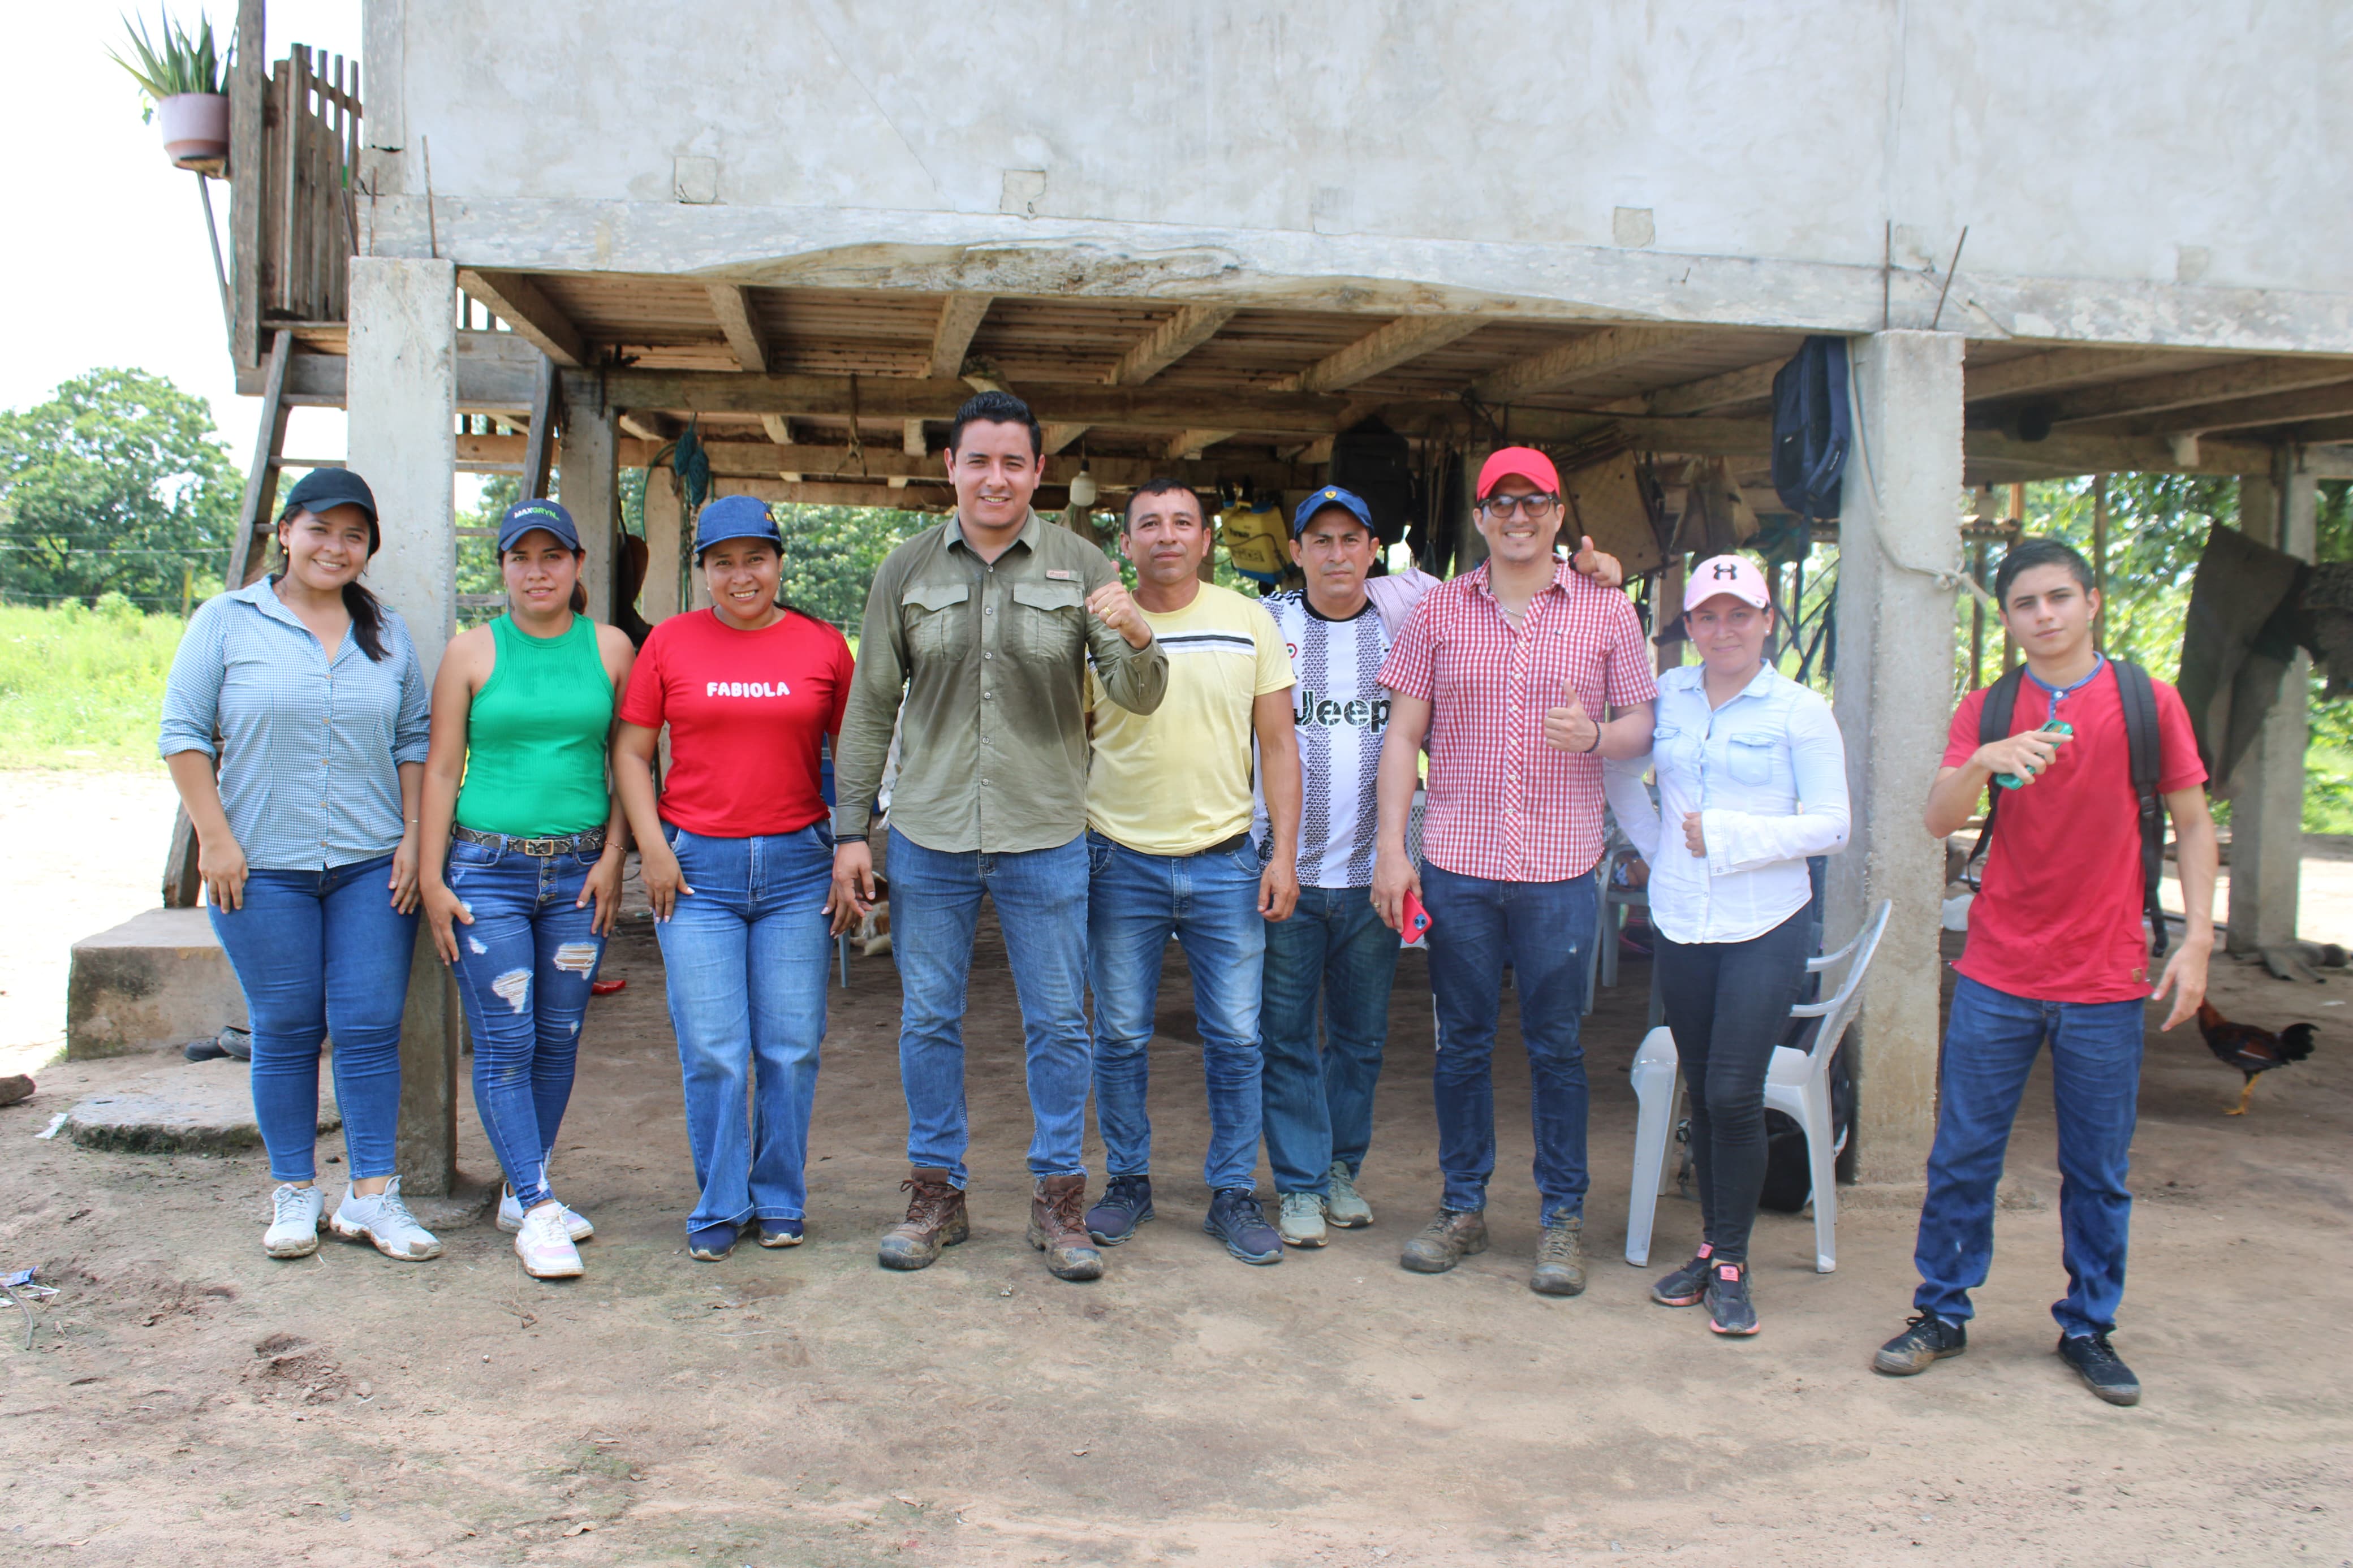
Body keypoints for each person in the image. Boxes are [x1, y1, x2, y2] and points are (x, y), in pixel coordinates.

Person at [828, 391, 1165, 1282]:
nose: (996, 477)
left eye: (1014, 461)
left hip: (1045, 831)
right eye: (978, 459)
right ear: (951, 467)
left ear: (1038, 471)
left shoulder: (1080, 563)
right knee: (928, 1018)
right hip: (931, 832)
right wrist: (851, 830)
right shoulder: (905, 569)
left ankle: (1059, 1198)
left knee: (1057, 1022)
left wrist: (1139, 635)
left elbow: (1137, 695)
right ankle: (936, 1194)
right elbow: (871, 706)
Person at [1874, 537, 2216, 1406]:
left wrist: (2199, 939)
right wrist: (1982, 761)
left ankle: (2089, 1326)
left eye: (2060, 596)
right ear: (2009, 618)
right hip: (1998, 970)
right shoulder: (1989, 708)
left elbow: (2193, 821)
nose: (2045, 614)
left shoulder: (2147, 701)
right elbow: (1936, 819)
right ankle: (1940, 1312)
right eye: (2026, 603)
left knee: (2097, 1168)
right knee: (1962, 1156)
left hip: (2105, 975)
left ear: (2091, 601)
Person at [1256, 486, 1628, 1247]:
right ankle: (1300, 1182)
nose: (1336, 555)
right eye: (1319, 541)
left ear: (1376, 552)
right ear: (1295, 553)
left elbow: (1516, 570)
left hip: (1375, 875)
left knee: (1361, 1040)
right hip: (1289, 867)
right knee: (1288, 1037)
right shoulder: (1265, 623)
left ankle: (1340, 1171)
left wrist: (1601, 572)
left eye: (1351, 540)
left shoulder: (1409, 607)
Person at [1371, 446, 1657, 1295]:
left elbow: (1643, 723)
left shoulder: (1607, 609)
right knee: (1460, 1042)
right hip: (1458, 863)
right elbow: (1403, 735)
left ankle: (1561, 1219)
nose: (1519, 517)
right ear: (1482, 517)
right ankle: (1462, 1207)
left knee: (1556, 1047)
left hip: (1560, 868)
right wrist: (1393, 848)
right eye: (1503, 503)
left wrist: (1598, 737)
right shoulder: (1440, 610)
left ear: (1559, 515)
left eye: (1535, 502)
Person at [159, 468, 439, 1263]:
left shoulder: (385, 631)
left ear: (368, 549)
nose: (335, 547)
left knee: (369, 1027)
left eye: (354, 535)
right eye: (320, 529)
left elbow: (412, 739)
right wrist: (215, 838)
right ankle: (294, 1190)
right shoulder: (226, 621)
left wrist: (413, 837)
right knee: (285, 1028)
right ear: (286, 533)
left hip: (369, 865)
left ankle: (373, 1196)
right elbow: (182, 733)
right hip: (259, 866)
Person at [1602, 554, 1849, 1336]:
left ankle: (1734, 1261)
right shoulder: (1670, 695)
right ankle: (1712, 1247)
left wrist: (1729, 836)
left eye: (1740, 614)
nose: (1723, 630)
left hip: (1765, 921)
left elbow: (1833, 825)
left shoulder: (1800, 711)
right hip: (1683, 920)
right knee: (1705, 1087)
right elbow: (1620, 771)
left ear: (1767, 621)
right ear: (1690, 626)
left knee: (1736, 1091)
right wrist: (1658, 849)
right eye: (1708, 616)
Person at [613, 496, 854, 1262]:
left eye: (756, 559)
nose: (741, 575)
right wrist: (652, 847)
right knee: (714, 1049)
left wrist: (853, 843)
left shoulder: (823, 645)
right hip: (694, 872)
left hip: (798, 867)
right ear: (703, 571)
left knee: (791, 1046)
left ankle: (779, 1196)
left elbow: (857, 752)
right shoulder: (670, 643)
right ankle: (721, 1199)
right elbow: (632, 752)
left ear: (779, 563)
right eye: (723, 562)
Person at [1078, 479, 1301, 1265]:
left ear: (1207, 540)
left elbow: (1279, 745)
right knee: (1119, 1034)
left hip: (1226, 861)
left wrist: (1281, 855)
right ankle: (1127, 1180)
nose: (1166, 536)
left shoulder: (1248, 621)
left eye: (1182, 523)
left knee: (1237, 1038)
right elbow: (1068, 736)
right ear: (1126, 543)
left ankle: (1233, 1191)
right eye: (1149, 524)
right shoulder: (1098, 628)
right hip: (1118, 858)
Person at [418, 499, 636, 1280]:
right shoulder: (471, 652)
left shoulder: (611, 647)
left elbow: (631, 761)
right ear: (503, 568)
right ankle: (540, 1205)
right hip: (487, 872)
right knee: (507, 1040)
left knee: (559, 1035)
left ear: (577, 565)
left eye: (553, 556)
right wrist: (431, 875)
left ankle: (522, 1190)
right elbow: (442, 768)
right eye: (521, 557)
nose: (537, 572)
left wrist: (616, 857)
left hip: (579, 873)